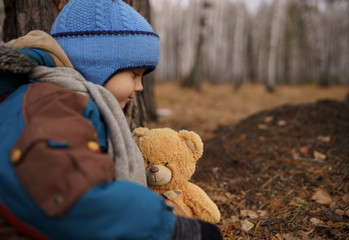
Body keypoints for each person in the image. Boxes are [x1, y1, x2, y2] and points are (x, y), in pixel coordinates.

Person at [0, 0, 223, 239]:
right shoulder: (53, 103)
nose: (139, 87)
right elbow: (70, 195)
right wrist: (168, 228)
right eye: (135, 74)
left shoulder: (63, 101)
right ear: (97, 64)